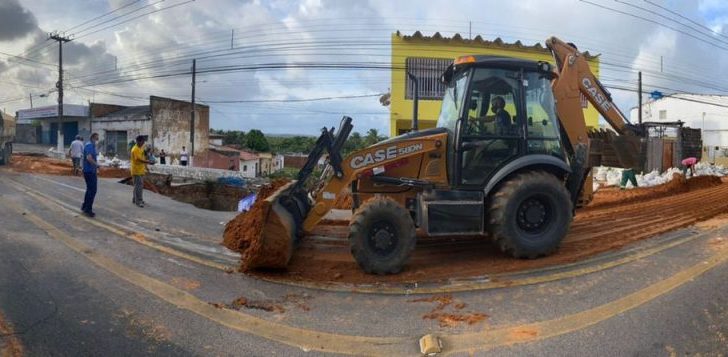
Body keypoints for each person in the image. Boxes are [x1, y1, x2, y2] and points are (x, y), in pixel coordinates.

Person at [130, 135, 154, 207]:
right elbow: (139, 159)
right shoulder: (135, 149)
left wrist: (146, 166)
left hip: (141, 169)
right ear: (138, 141)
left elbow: (144, 155)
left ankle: (135, 199)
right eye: (142, 141)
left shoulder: (141, 148)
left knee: (137, 186)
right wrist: (148, 162)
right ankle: (139, 201)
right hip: (136, 170)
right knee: (139, 186)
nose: (143, 143)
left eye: (144, 142)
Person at [81, 133, 99, 217]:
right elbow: (89, 158)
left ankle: (85, 206)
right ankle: (88, 209)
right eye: (96, 139)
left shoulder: (91, 146)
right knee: (92, 190)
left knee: (89, 189)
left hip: (89, 171)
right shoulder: (89, 146)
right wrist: (96, 165)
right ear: (92, 138)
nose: (97, 141)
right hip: (89, 171)